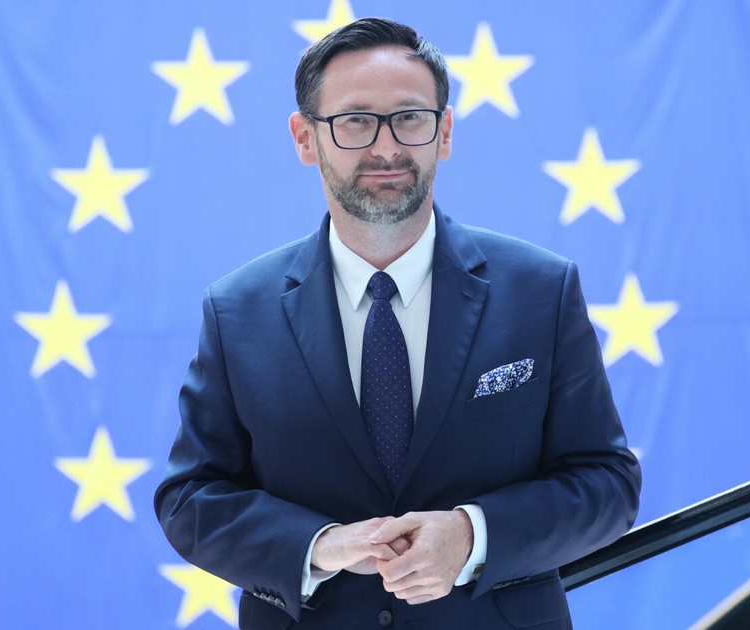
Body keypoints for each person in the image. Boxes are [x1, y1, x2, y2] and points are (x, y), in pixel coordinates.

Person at [155, 17, 641, 629]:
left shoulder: (542, 290)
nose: (386, 147)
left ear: (444, 132)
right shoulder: (236, 312)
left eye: (410, 118)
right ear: (305, 138)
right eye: (355, 121)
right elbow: (190, 499)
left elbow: (608, 485)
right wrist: (319, 546)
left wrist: (472, 535)